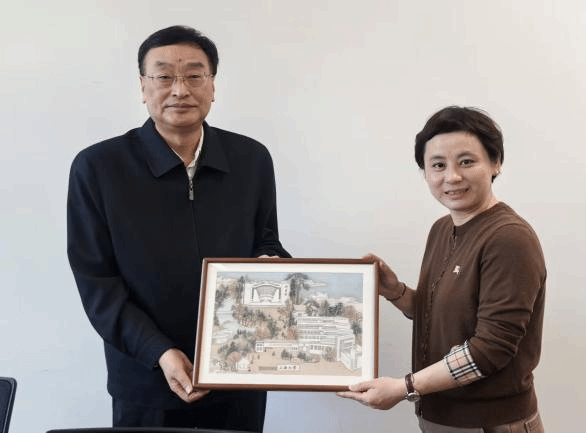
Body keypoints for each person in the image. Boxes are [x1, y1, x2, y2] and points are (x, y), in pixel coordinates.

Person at [67, 25, 290, 432]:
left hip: (240, 370)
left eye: (193, 75)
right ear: (143, 86)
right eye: (164, 76)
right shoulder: (98, 167)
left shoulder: (251, 158)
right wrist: (158, 351)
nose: (180, 90)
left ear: (213, 85)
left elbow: (266, 240)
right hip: (145, 376)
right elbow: (98, 283)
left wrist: (273, 266)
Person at [338, 106, 546, 433]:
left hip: (490, 422)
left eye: (466, 161)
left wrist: (404, 387)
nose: (452, 177)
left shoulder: (508, 238)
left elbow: (490, 349)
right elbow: (444, 315)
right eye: (438, 165)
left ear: (496, 163)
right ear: (425, 173)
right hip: (440, 417)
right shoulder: (441, 229)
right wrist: (396, 292)